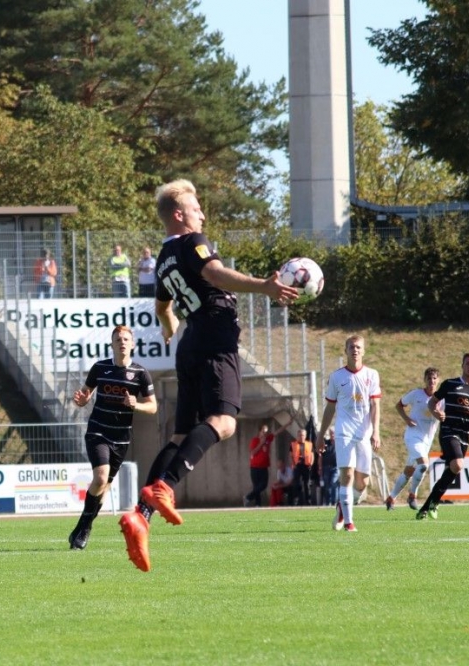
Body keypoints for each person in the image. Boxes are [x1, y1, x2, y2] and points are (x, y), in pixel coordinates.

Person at [118, 179, 297, 572]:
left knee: (181, 436)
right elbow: (215, 274)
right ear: (179, 215)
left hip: (190, 342)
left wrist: (170, 328)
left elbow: (162, 307)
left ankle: (140, 517)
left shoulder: (164, 258)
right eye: (196, 208)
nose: (202, 214)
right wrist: (265, 287)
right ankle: (163, 487)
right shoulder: (193, 241)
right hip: (215, 337)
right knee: (224, 422)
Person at [67, 325, 157, 550]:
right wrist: (82, 401)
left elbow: (153, 407)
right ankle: (84, 528)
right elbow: (85, 395)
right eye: (118, 339)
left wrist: (136, 405)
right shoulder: (100, 368)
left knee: (105, 486)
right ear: (112, 344)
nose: (122, 342)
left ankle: (83, 527)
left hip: (121, 437)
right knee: (100, 478)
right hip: (98, 431)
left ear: (132, 344)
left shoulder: (141, 374)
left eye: (126, 339)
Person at [316, 335, 381, 533]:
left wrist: (376, 431)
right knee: (348, 475)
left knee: (362, 484)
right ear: (345, 351)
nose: (355, 350)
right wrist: (321, 435)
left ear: (364, 351)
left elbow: (375, 405)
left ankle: (341, 508)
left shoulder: (372, 374)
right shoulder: (337, 377)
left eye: (358, 347)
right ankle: (349, 523)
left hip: (364, 434)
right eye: (351, 347)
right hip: (344, 432)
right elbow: (330, 408)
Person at [416, 352, 469, 521]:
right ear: (462, 366)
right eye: (468, 363)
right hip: (448, 431)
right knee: (458, 464)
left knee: (453, 468)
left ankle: (428, 505)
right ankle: (433, 503)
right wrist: (436, 413)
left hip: (465, 435)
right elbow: (432, 402)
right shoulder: (450, 384)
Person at [386, 367, 441, 511]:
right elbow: (399, 405)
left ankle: (391, 497)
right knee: (423, 465)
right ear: (424, 380)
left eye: (434, 378)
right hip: (413, 436)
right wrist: (407, 419)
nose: (431, 381)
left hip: (426, 441)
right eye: (429, 378)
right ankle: (412, 495)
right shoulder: (416, 394)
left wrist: (443, 416)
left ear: (438, 380)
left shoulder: (442, 399)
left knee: (409, 471)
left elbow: (445, 416)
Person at [244, 422, 287, 507]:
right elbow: (253, 453)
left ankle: (248, 497)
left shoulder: (268, 439)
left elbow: (278, 431)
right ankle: (257, 505)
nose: (265, 433)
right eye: (263, 431)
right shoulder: (255, 440)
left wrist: (288, 423)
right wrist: (261, 443)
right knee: (256, 487)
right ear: (259, 432)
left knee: (263, 485)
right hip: (255, 467)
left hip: (264, 467)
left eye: (266, 432)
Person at [290, 428, 315, 506]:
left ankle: (308, 502)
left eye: (303, 435)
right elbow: (291, 455)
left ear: (305, 436)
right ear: (297, 436)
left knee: (307, 484)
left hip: (306, 466)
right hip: (297, 466)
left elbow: (312, 455)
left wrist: (311, 463)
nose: (301, 437)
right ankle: (296, 501)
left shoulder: (309, 444)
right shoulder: (293, 444)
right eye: (300, 435)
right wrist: (293, 464)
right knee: (296, 484)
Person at [318, 427, 339, 506]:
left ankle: (334, 502)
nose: (332, 435)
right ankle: (328, 502)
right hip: (326, 467)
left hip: (336, 467)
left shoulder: (339, 443)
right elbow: (320, 456)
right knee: (327, 486)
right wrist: (320, 468)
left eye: (333, 433)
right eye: (331, 433)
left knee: (333, 482)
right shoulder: (325, 443)